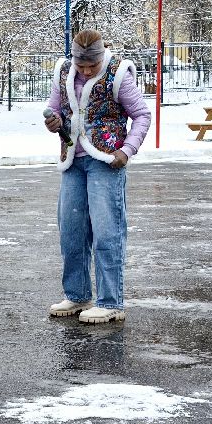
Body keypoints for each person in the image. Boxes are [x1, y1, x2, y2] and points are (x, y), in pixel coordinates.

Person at [44, 29, 152, 323]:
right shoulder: (64, 73)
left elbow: (142, 115)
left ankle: (110, 302)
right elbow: (54, 110)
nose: (87, 70)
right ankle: (77, 296)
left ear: (101, 56)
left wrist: (127, 150)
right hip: (73, 161)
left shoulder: (118, 73)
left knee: (107, 231)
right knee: (71, 231)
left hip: (106, 162)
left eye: (92, 64)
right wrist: (53, 122)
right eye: (82, 65)